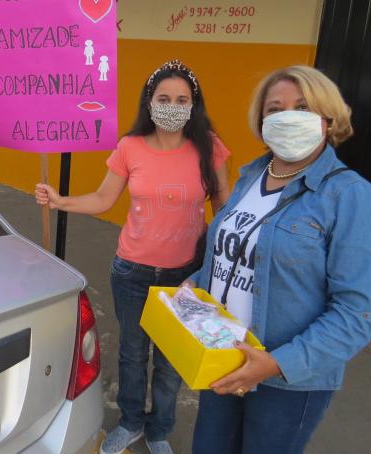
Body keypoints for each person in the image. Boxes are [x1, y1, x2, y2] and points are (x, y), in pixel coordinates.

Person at [186, 66, 371, 454]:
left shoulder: (352, 198)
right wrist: (198, 282)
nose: (287, 116)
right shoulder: (250, 176)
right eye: (275, 109)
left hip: (289, 381)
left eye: (302, 107)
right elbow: (241, 252)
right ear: (262, 121)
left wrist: (276, 363)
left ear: (328, 120)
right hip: (221, 353)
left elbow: (357, 313)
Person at [36, 59, 231, 454]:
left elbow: (225, 211)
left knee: (170, 362)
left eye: (182, 99)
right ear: (149, 101)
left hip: (186, 276)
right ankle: (129, 423)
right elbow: (103, 198)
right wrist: (61, 201)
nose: (172, 106)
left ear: (194, 105)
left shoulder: (208, 147)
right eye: (164, 98)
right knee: (132, 353)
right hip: (132, 272)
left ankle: (158, 431)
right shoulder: (130, 147)